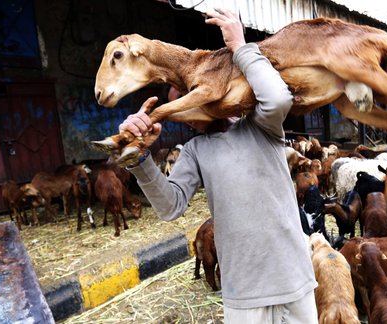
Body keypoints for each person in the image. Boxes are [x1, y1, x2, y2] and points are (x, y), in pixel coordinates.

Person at [118, 8, 318, 324]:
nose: (181, 112)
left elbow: (279, 99)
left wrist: (241, 48)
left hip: (293, 279)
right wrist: (139, 155)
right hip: (242, 291)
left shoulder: (260, 126)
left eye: (185, 100)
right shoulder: (197, 151)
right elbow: (170, 207)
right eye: (174, 108)